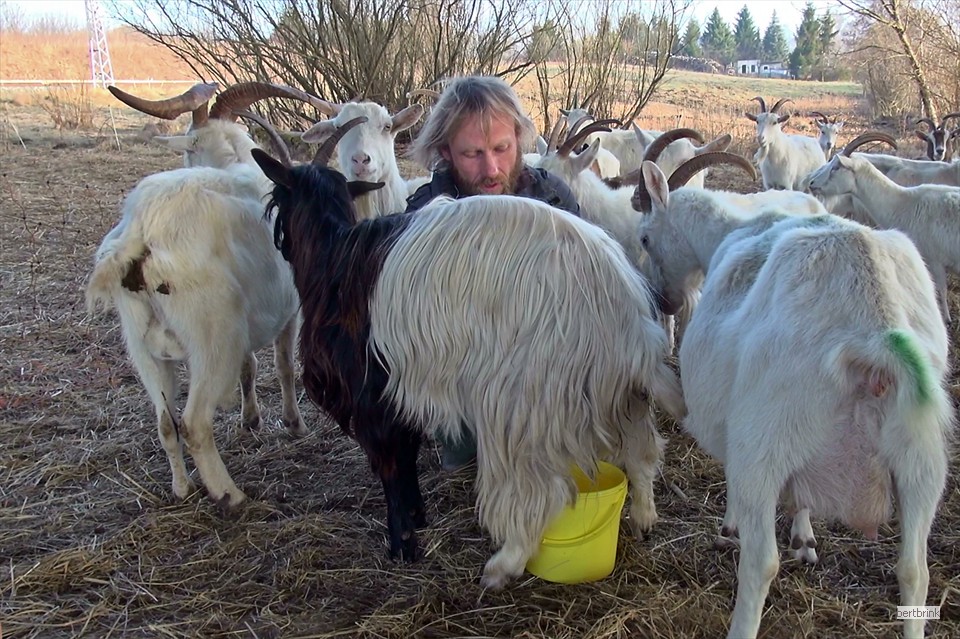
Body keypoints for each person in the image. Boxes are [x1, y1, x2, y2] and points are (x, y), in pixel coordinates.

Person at [405, 75, 580, 471]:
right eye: (472, 154)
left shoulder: (553, 198)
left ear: (519, 138)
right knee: (466, 465)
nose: (492, 168)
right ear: (445, 151)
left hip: (549, 364)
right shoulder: (424, 215)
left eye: (502, 148)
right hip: (466, 375)